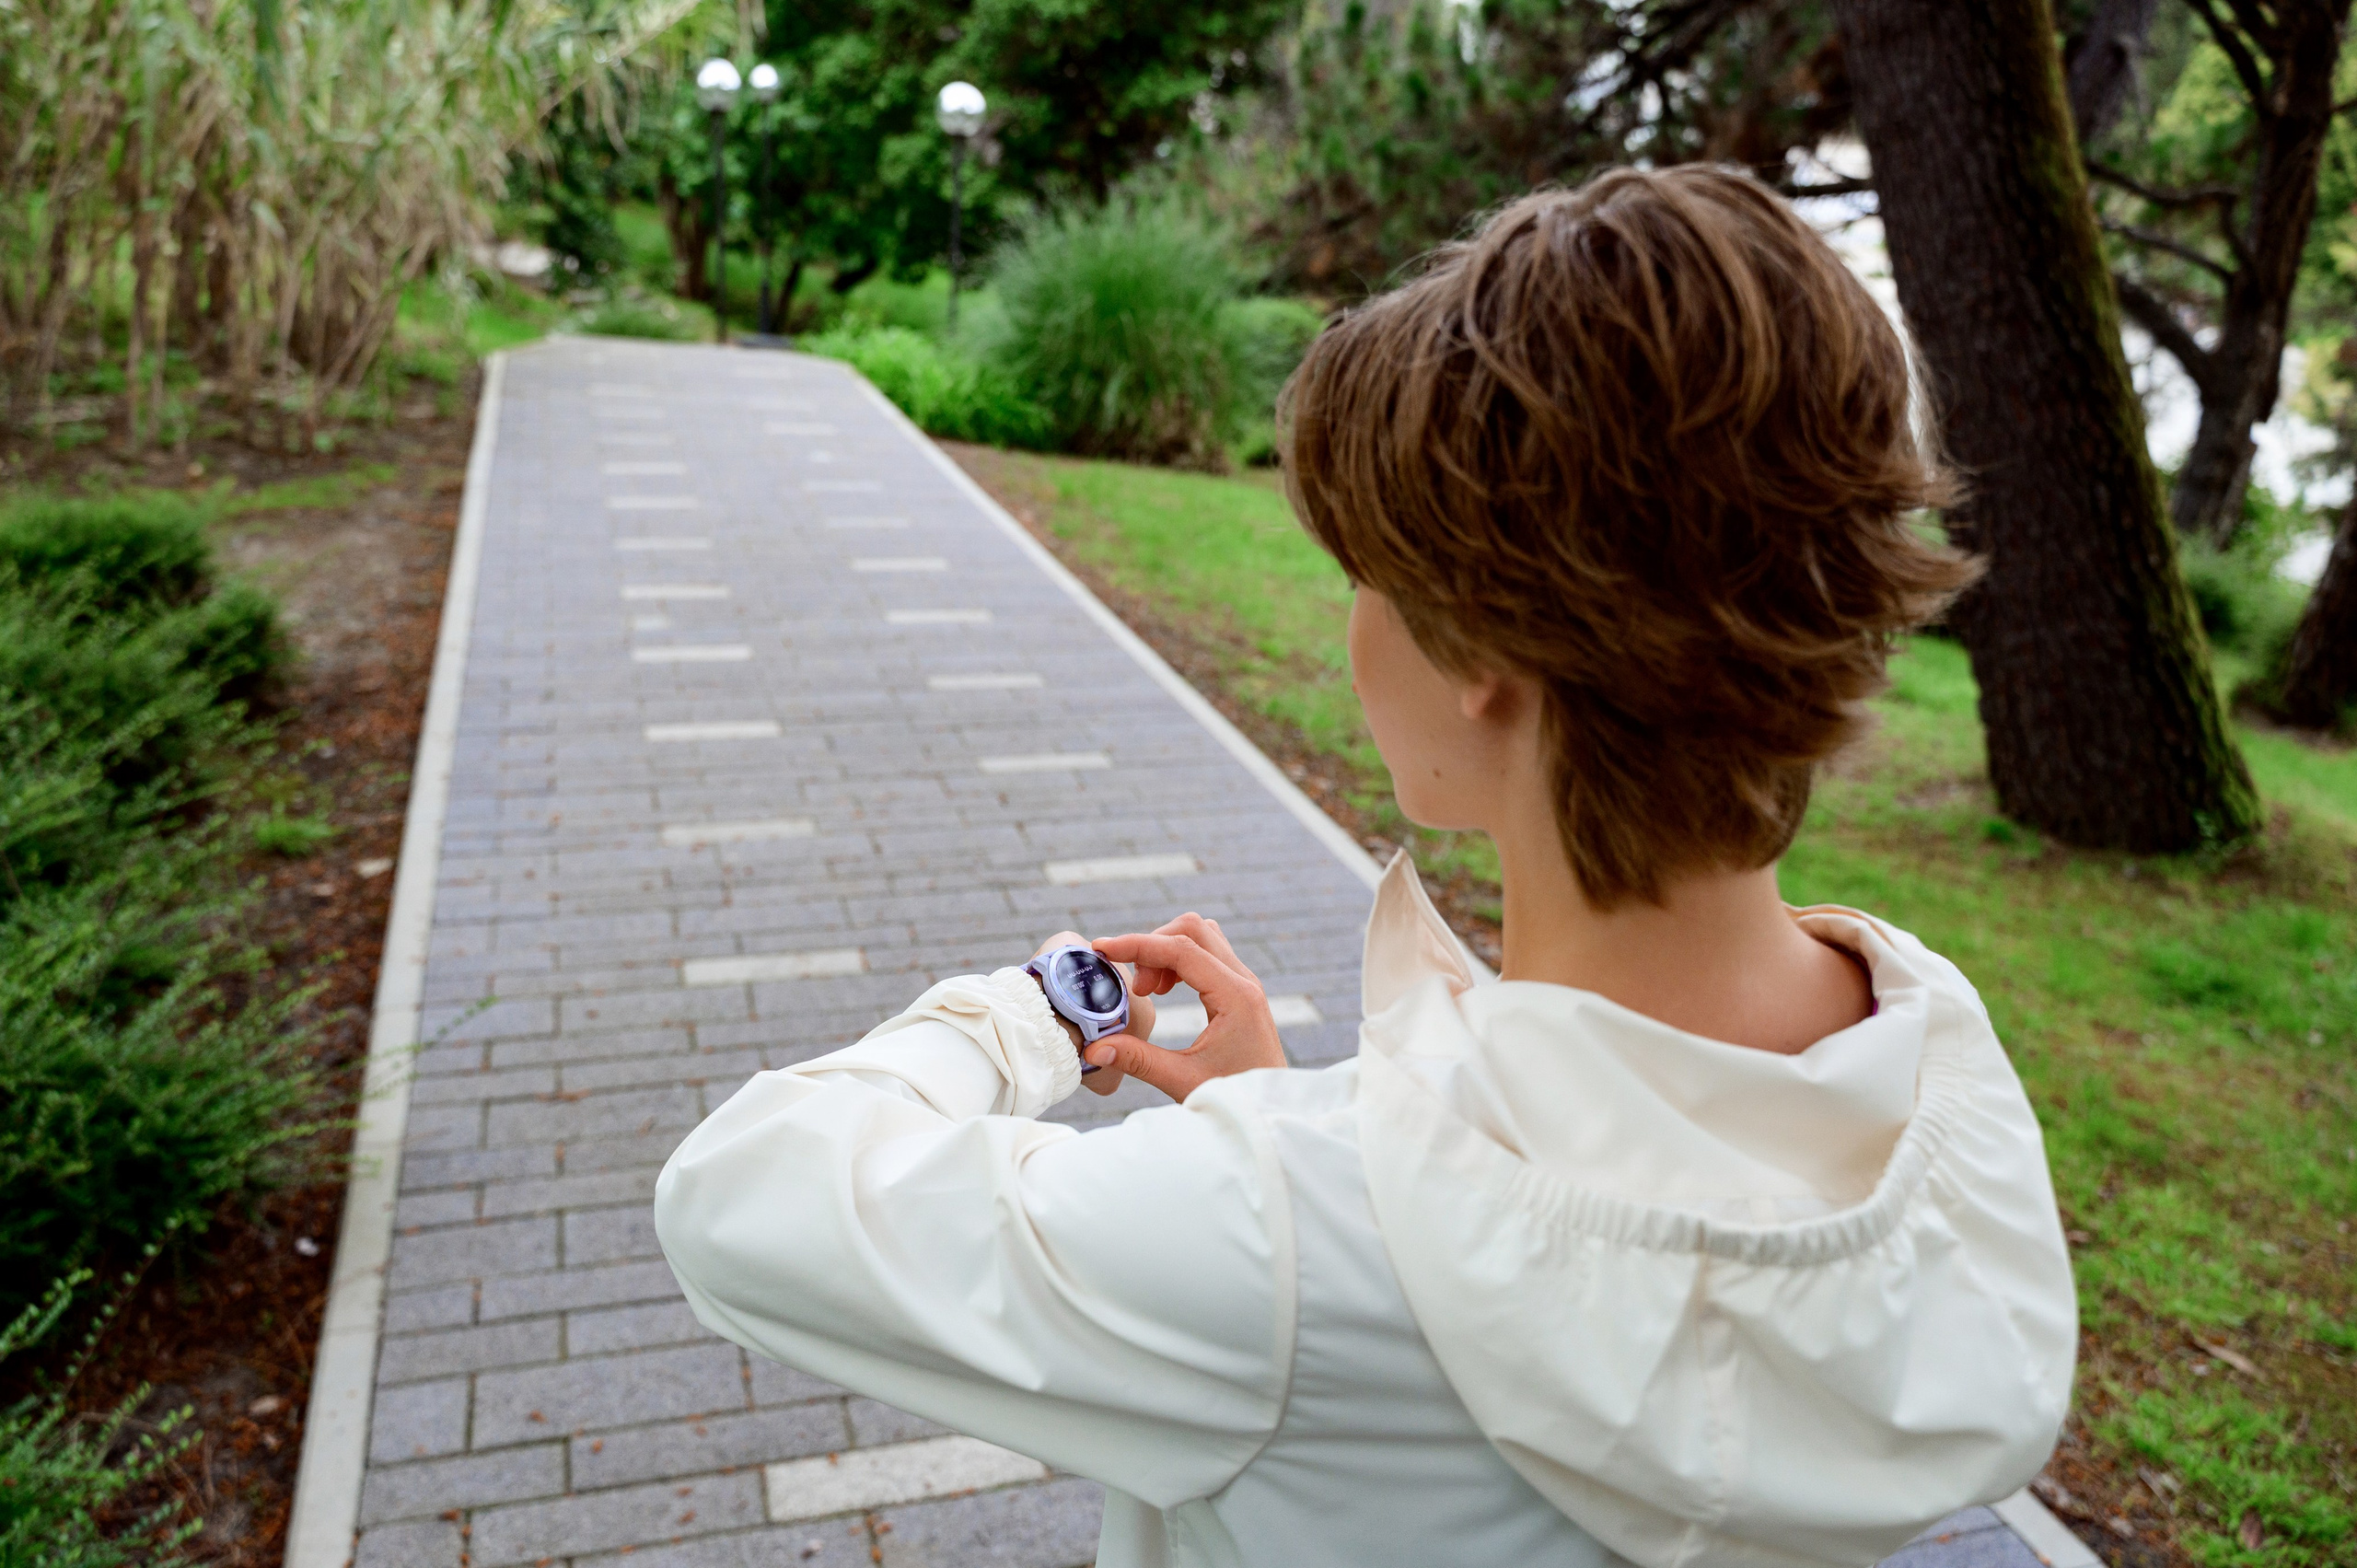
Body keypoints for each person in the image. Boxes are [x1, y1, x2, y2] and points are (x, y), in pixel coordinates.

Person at [654, 167, 2078, 1568]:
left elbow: (741, 1198)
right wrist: (1305, 1130)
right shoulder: (1932, 1063)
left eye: (1369, 577)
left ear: (1486, 655)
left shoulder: (1281, 1229)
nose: (1356, 624)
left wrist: (1028, 1016)